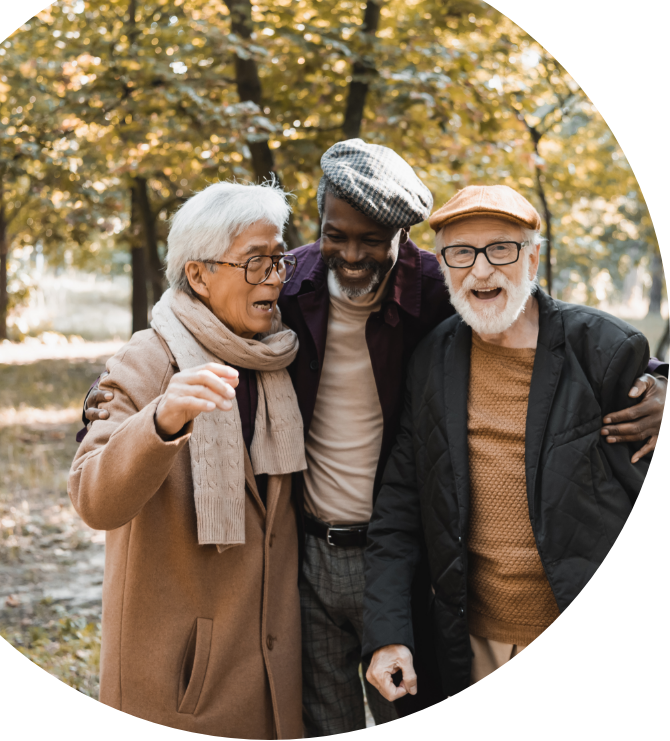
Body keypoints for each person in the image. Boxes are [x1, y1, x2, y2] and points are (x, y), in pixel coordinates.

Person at [80, 142, 669, 738]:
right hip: (306, 557)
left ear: (405, 239)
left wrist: (664, 391)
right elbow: (196, 317)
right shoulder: (285, 289)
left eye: (374, 239)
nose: (353, 254)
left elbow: (569, 338)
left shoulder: (444, 298)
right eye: (338, 235)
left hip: (410, 559)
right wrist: (126, 401)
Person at [363, 185, 667, 703]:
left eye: (501, 248)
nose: (481, 270)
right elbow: (399, 504)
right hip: (478, 643)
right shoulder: (431, 360)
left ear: (533, 258)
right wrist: (387, 633)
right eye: (461, 253)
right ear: (444, 266)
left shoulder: (602, 348)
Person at [68, 181, 306, 739]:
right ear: (198, 275)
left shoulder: (278, 358)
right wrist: (159, 421)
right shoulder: (147, 358)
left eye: (278, 260)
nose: (272, 276)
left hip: (271, 678)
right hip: (182, 689)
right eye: (254, 262)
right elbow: (92, 499)